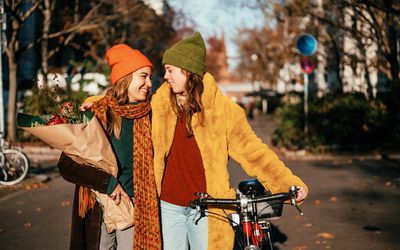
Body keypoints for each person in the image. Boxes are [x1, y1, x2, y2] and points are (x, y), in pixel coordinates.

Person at [150, 32, 308, 250]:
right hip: (168, 207)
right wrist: (94, 105)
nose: (165, 76)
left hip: (209, 208)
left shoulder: (224, 111)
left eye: (170, 70)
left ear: (188, 71)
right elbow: (124, 107)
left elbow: (254, 152)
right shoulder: (159, 104)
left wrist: (288, 182)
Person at [57, 44, 161, 250]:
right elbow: (66, 165)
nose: (149, 83)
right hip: (99, 211)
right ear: (126, 78)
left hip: (136, 213)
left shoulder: (152, 115)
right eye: (143, 76)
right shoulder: (98, 114)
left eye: (150, 77)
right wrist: (108, 183)